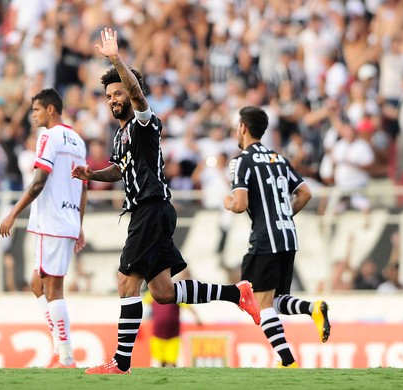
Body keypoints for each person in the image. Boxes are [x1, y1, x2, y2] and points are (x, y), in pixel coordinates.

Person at [71, 27, 260, 375]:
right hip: (151, 211)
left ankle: (122, 363)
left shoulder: (145, 122)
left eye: (118, 93)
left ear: (131, 93)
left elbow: (139, 99)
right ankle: (238, 294)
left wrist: (115, 58)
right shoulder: (120, 135)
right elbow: (119, 170)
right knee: (162, 293)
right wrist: (92, 175)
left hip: (151, 209)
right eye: (108, 96)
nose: (113, 100)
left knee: (126, 282)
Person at [223, 106, 330, 369]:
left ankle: (287, 360)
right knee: (278, 299)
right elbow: (305, 193)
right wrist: (283, 215)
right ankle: (312, 308)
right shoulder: (278, 159)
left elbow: (239, 204)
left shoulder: (242, 160)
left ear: (243, 128)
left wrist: (227, 202)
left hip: (265, 237)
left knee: (260, 303)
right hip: (288, 235)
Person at [0, 88, 87, 369]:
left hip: (51, 221)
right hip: (68, 220)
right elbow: (83, 186)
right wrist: (79, 224)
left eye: (36, 109)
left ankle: (66, 356)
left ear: (51, 109)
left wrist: (13, 213)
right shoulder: (78, 139)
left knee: (53, 287)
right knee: (37, 283)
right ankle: (59, 346)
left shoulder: (47, 136)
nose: (32, 115)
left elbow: (39, 182)